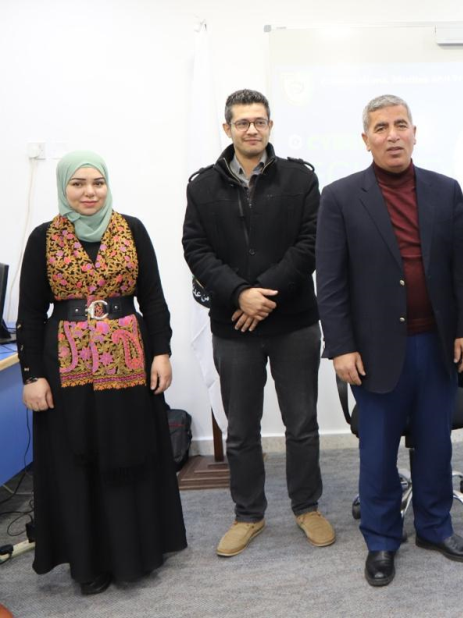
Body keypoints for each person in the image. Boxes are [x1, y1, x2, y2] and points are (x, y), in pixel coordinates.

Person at [316, 94, 463, 587]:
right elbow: (331, 281)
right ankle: (382, 540)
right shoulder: (340, 197)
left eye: (401, 125)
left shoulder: (445, 191)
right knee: (377, 454)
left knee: (435, 446)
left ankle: (434, 528)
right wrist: (340, 346)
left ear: (414, 133)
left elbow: (461, 269)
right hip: (373, 351)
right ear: (365, 139)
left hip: (436, 343)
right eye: (381, 127)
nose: (393, 135)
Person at [17, 151, 187, 594]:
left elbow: (153, 297)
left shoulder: (132, 229)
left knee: (128, 450)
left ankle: (135, 554)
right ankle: (89, 561)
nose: (89, 192)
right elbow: (30, 313)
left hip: (129, 361)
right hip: (65, 367)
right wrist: (32, 376)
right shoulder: (44, 238)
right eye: (78, 184)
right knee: (78, 455)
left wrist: (162, 352)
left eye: (97, 182)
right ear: (64, 188)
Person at [182, 89, 333, 557]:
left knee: (302, 423)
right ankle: (248, 514)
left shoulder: (301, 178)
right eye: (243, 122)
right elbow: (195, 249)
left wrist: (261, 294)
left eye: (260, 121)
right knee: (241, 429)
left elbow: (311, 244)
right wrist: (239, 295)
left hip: (294, 323)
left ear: (270, 125)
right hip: (234, 326)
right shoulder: (202, 186)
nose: (252, 129)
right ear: (227, 128)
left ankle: (306, 507)